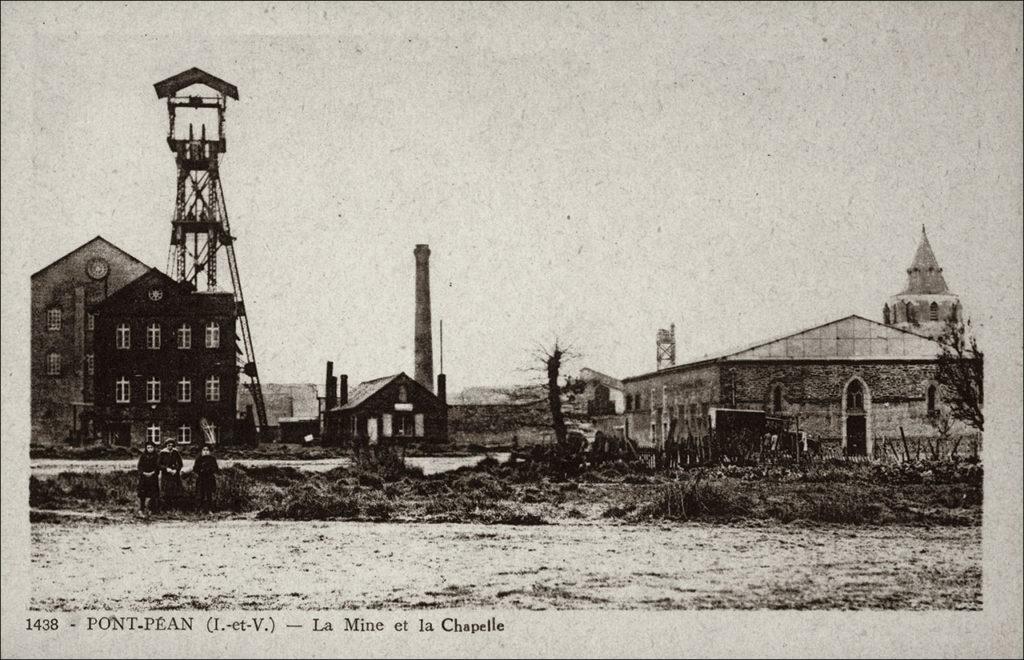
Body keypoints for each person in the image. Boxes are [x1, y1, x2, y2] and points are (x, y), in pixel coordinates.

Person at [193, 445, 220, 513]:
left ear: (210, 452)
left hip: (209, 478)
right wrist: (201, 470)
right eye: (204, 450)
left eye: (207, 450)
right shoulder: (199, 459)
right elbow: (195, 468)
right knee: (200, 494)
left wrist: (209, 470)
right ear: (202, 451)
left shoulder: (212, 459)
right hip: (201, 478)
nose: (205, 451)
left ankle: (209, 509)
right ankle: (199, 509)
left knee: (209, 494)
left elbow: (216, 468)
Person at [137, 442, 161, 517]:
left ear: (154, 448)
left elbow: (158, 466)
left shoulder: (156, 456)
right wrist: (143, 473)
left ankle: (151, 509)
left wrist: (153, 473)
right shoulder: (143, 456)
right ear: (146, 448)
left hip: (153, 477)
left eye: (151, 447)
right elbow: (139, 466)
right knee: (142, 493)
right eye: (148, 448)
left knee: (153, 493)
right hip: (144, 477)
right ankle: (141, 509)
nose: (150, 449)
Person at [158, 442, 185, 510]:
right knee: (166, 491)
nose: (170, 447)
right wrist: (166, 469)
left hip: (175, 475)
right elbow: (158, 464)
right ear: (166, 445)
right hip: (166, 475)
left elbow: (180, 463)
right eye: (168, 445)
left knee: (176, 491)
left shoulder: (175, 452)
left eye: (172, 445)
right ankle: (167, 508)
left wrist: (176, 470)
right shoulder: (162, 453)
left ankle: (175, 507)